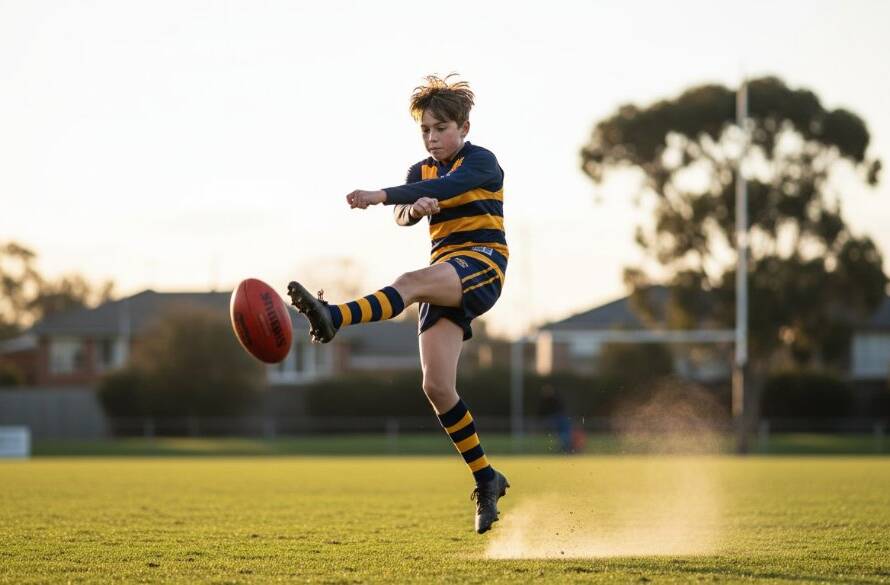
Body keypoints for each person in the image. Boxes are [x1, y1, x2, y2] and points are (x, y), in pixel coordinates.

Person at [287, 74, 510, 534]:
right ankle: (487, 478)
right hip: (445, 274)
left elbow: (447, 190)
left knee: (408, 282)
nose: (432, 138)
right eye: (425, 130)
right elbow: (405, 214)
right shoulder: (419, 171)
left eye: (440, 128)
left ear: (464, 128)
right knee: (437, 388)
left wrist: (378, 195)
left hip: (482, 265)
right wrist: (412, 208)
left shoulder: (482, 161)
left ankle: (333, 317)